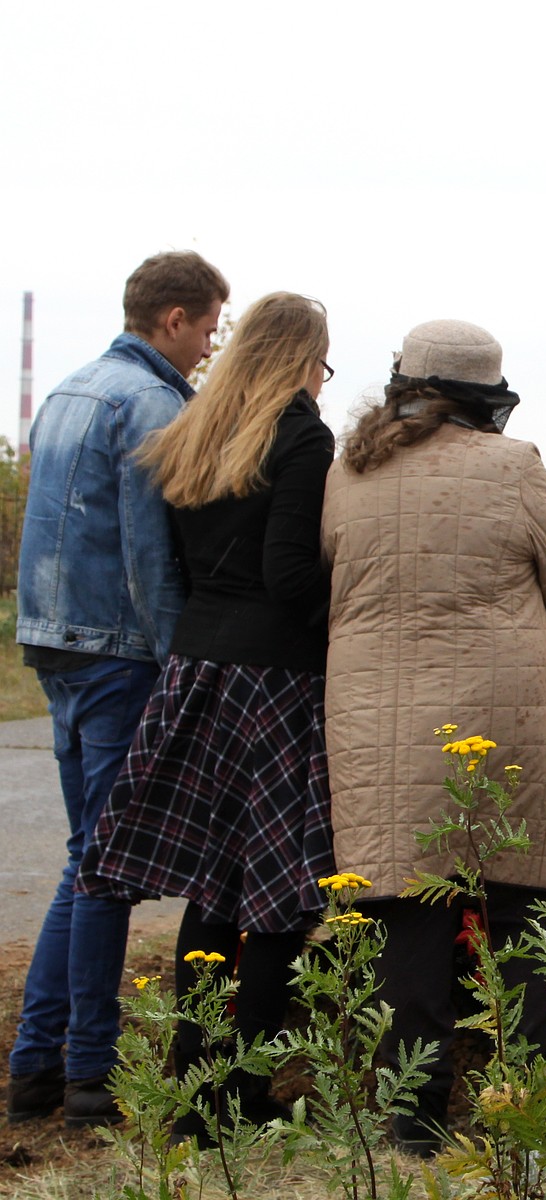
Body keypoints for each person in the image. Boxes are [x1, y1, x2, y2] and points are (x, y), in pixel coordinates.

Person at [321, 319, 546, 1156]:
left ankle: (413, 1121)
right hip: (503, 712)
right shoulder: (514, 466)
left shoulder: (349, 471)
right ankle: (528, 1108)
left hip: (376, 714)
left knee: (406, 912)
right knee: (526, 900)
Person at [82, 292, 337, 1139]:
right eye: (322, 363)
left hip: (198, 668)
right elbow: (292, 575)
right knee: (272, 893)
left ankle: (195, 1085)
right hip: (274, 680)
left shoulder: (194, 431)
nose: (322, 381)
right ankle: (240, 1095)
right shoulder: (300, 437)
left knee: (215, 888)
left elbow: (180, 568)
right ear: (303, 359)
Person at [8, 251, 229, 1128]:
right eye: (210, 328)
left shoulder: (69, 390)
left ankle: (36, 1063)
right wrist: (185, 665)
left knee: (84, 858)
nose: (212, 347)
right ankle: (86, 1075)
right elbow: (149, 554)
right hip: (118, 652)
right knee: (103, 869)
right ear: (172, 318)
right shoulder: (150, 404)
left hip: (54, 641)